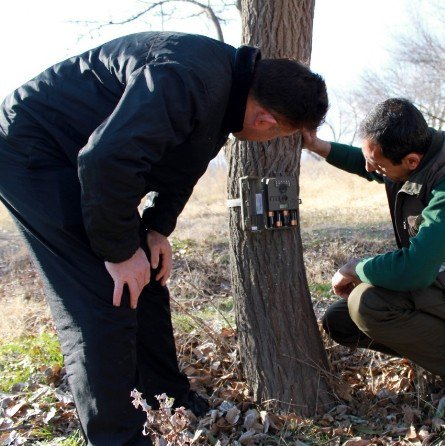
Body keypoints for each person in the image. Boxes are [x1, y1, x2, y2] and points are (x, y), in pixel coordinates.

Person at [0, 31, 327, 445]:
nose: (271, 140)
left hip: (88, 162)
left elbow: (183, 163)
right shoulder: (188, 79)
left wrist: (156, 228)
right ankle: (117, 436)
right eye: (280, 135)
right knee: (105, 295)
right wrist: (119, 252)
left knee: (147, 279)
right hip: (36, 149)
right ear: (265, 121)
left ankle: (164, 399)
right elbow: (105, 160)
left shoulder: (224, 90)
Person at [302, 98, 445, 422]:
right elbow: (367, 161)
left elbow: (415, 270)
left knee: (367, 305)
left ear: (411, 161)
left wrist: (356, 268)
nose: (371, 171)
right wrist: (317, 146)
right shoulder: (417, 154)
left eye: (378, 167)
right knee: (341, 321)